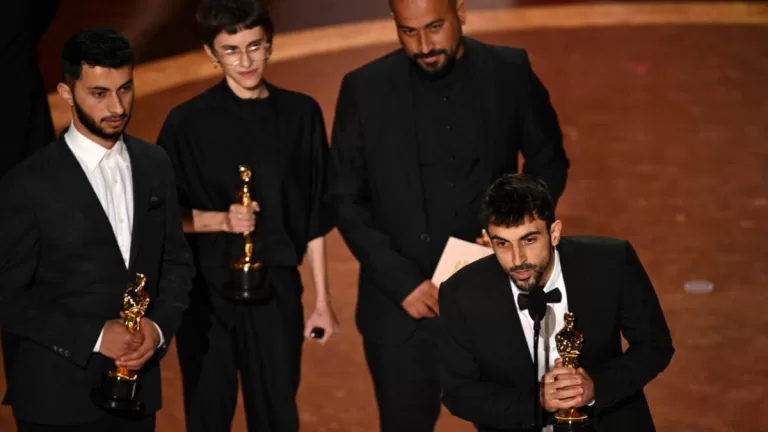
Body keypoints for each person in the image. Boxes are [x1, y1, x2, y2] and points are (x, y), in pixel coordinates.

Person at [326, 0, 569, 429]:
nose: (423, 45)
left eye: (435, 27)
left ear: (461, 10)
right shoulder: (364, 88)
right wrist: (402, 283)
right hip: (402, 314)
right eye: (408, 31)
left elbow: (548, 160)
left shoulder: (509, 71)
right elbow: (344, 198)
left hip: (495, 297)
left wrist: (515, 228)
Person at [0, 27, 195, 431]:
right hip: (55, 403)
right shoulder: (27, 183)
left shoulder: (155, 164)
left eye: (125, 89)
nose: (117, 106)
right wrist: (94, 336)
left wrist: (157, 329)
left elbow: (176, 263)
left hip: (136, 396)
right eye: (99, 93)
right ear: (67, 92)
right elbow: (6, 295)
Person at [156, 1, 338, 431]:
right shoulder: (186, 123)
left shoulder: (301, 114)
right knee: (207, 414)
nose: (246, 61)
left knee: (277, 417)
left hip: (276, 293)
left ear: (270, 43)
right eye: (231, 50)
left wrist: (323, 302)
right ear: (211, 54)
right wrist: (221, 221)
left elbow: (313, 215)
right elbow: (158, 214)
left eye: (254, 46)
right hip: (205, 295)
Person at [438, 173, 674, 431]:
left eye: (529, 240)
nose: (517, 260)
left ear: (554, 233)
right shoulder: (461, 294)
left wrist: (596, 387)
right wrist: (536, 404)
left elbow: (655, 346)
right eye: (503, 244)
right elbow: (458, 392)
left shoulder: (612, 264)